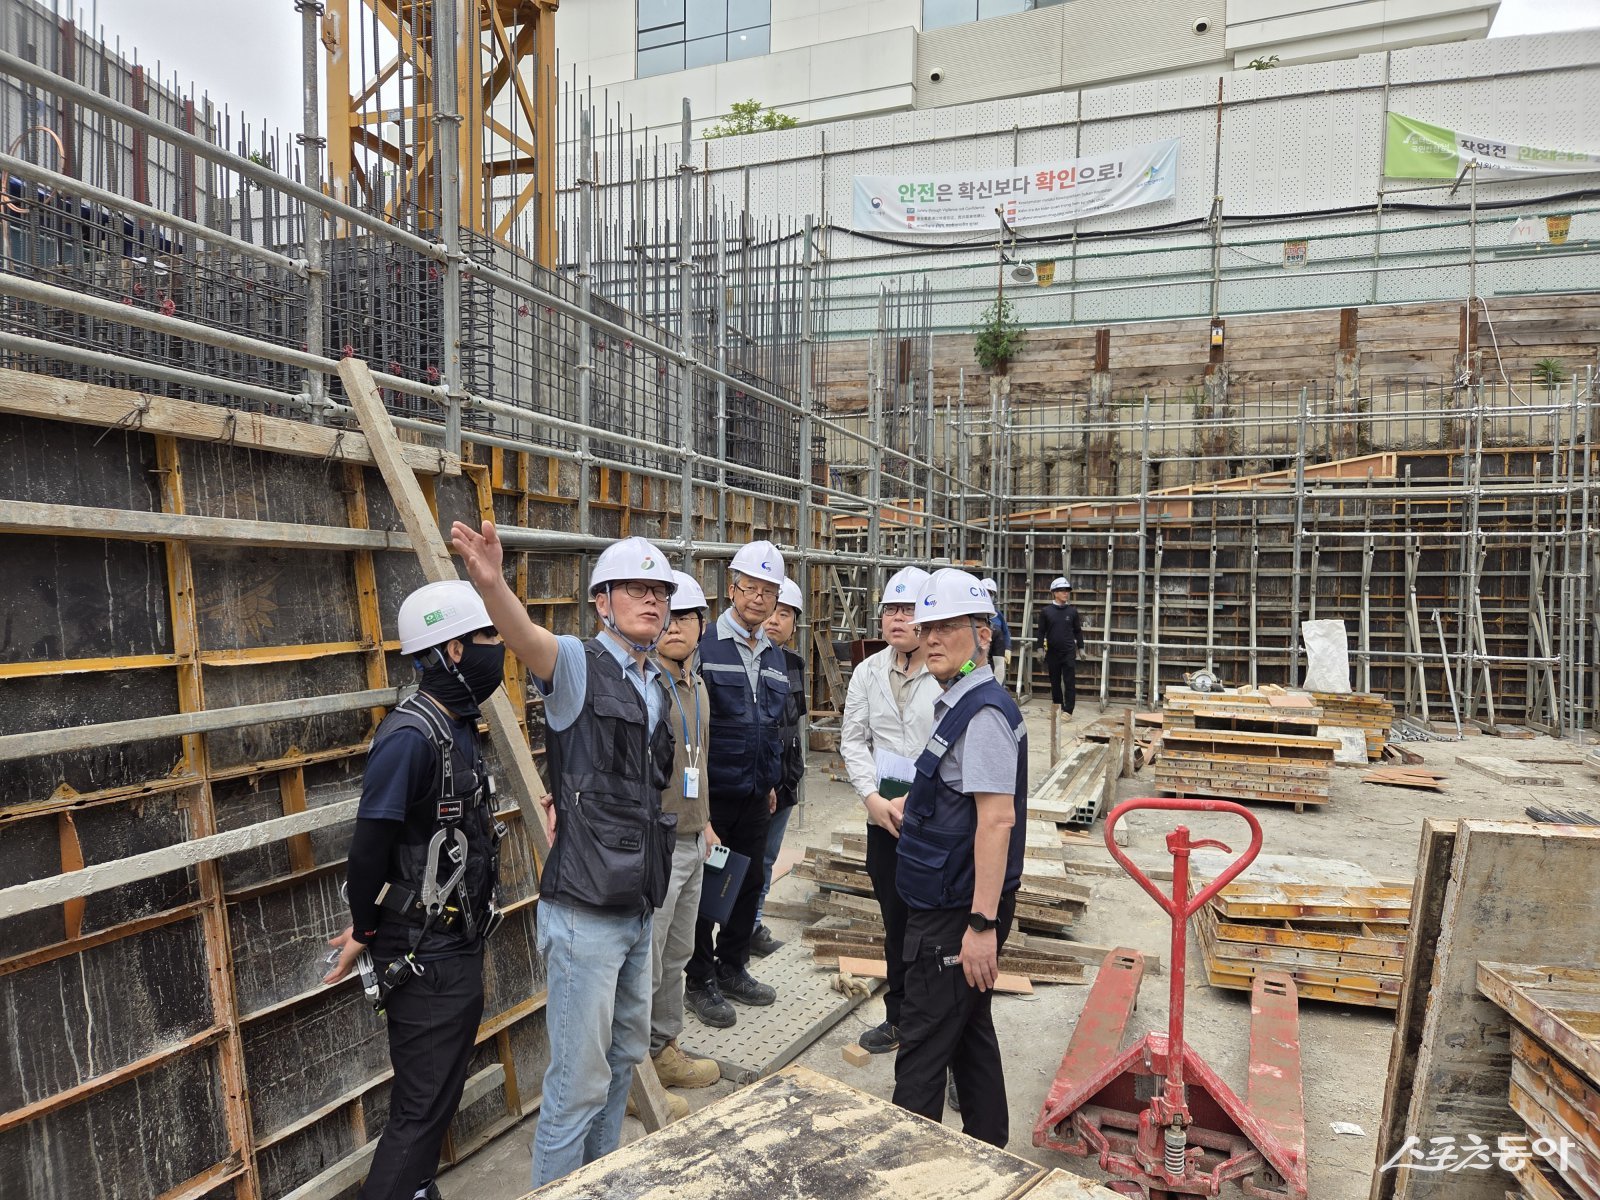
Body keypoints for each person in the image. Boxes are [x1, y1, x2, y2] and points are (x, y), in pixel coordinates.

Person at [450, 522, 678, 1189]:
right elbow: (527, 641)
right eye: (636, 589)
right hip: (585, 912)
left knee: (621, 1063)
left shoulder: (656, 684)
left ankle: (598, 1183)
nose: (653, 601)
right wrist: (491, 585)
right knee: (576, 1087)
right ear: (602, 602)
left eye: (660, 590)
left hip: (636, 905)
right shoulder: (578, 664)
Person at [323, 579, 508, 1200]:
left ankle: (417, 1185)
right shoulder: (409, 737)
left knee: (435, 1095)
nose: (495, 648)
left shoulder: (456, 726)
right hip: (424, 955)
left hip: (452, 943)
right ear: (453, 651)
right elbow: (369, 849)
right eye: (486, 638)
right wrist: (369, 929)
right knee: (422, 1107)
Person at [892, 567, 1028, 1149]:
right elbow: (963, 800)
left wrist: (981, 925)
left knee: (921, 1052)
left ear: (984, 633)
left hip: (957, 912)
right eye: (929, 628)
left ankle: (906, 1172)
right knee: (971, 1034)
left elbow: (997, 819)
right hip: (953, 900)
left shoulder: (985, 713)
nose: (933, 639)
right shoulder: (962, 702)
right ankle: (990, 1154)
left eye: (949, 627)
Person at [685, 540, 790, 1027]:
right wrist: (699, 807)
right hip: (713, 794)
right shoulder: (704, 646)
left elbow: (770, 724)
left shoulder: (774, 656)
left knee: (749, 884)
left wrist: (769, 781)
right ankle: (698, 978)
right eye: (750, 587)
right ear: (732, 588)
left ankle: (733, 967)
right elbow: (692, 728)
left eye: (768, 591)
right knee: (707, 890)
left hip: (755, 793)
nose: (758, 598)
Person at [838, 565, 940, 1055]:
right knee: (896, 923)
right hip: (884, 819)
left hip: (936, 819)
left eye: (908, 609)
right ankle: (899, 1018)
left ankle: (948, 1044)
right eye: (890, 611)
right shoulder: (867, 672)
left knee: (940, 930)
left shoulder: (949, 674)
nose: (898, 619)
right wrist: (872, 799)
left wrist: (915, 796)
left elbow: (952, 746)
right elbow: (854, 740)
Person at [644, 570, 722, 1110]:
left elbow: (700, 762)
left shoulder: (698, 687)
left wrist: (707, 819)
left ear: (701, 625)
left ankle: (661, 1049)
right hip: (657, 845)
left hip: (693, 837)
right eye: (667, 618)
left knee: (677, 954)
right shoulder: (644, 685)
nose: (676, 627)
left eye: (687, 617)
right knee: (644, 962)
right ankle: (633, 1078)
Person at [751, 576, 807, 957]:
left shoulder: (795, 664)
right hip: (752, 780)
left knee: (768, 857)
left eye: (785, 614)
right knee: (737, 858)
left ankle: (752, 925)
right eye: (773, 611)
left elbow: (794, 726)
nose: (775, 620)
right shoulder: (744, 660)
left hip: (785, 778)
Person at [1034, 576, 1085, 717]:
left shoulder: (1072, 612)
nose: (1066, 593)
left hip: (1068, 652)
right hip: (1052, 652)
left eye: (1067, 591)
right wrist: (1039, 649)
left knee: (1069, 682)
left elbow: (1077, 631)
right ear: (1054, 592)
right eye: (1062, 590)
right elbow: (1041, 632)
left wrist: (1081, 648)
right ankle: (1057, 707)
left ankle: (1068, 711)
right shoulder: (1046, 612)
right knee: (1055, 682)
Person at [980, 578, 1012, 687]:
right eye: (985, 592)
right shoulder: (969, 617)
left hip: (993, 657)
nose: (988, 596)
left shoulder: (997, 617)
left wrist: (1007, 648)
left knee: (997, 674)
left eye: (990, 593)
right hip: (973, 660)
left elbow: (1005, 632)